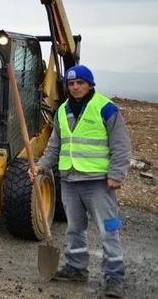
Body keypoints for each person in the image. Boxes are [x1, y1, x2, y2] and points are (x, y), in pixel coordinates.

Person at [31, 65, 131, 298]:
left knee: (108, 230)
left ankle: (114, 277)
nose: (75, 87)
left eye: (80, 83)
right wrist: (41, 166)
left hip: (98, 183)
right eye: (71, 83)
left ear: (90, 84)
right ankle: (76, 268)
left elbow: (121, 145)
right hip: (70, 180)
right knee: (74, 229)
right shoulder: (62, 111)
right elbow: (56, 145)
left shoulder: (105, 108)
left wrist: (117, 174)